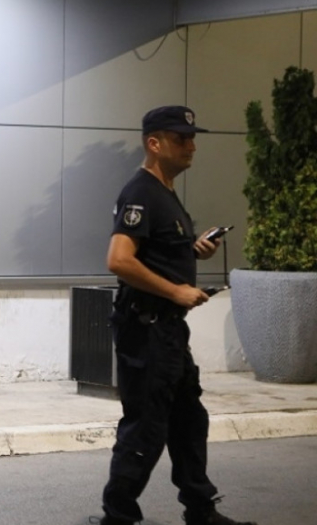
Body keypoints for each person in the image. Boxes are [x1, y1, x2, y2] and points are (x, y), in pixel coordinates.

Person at [97, 106, 256, 525]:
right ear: (154, 143)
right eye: (181, 138)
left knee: (189, 421)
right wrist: (176, 291)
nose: (191, 146)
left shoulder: (164, 192)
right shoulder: (141, 192)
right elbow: (119, 260)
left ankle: (200, 510)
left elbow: (155, 252)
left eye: (192, 137)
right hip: (146, 328)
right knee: (146, 427)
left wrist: (192, 250)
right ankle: (118, 516)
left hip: (167, 330)